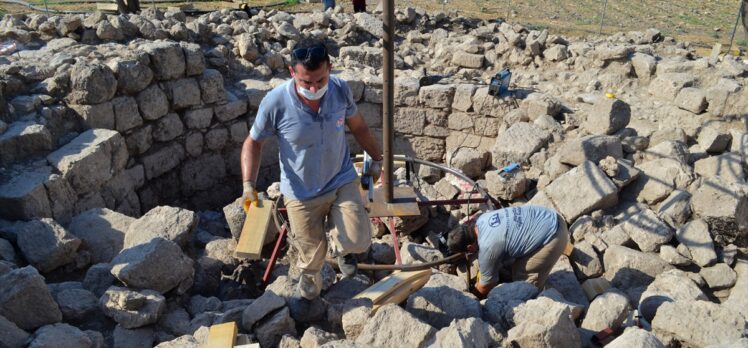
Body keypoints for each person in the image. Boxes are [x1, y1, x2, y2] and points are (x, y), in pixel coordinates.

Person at [240, 39, 382, 311]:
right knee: (311, 257)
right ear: (293, 73)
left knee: (358, 238)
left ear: (330, 68)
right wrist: (248, 185)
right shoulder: (276, 103)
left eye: (320, 80)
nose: (315, 88)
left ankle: (343, 249)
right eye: (307, 82)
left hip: (340, 179)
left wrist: (377, 159)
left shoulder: (339, 90)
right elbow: (253, 143)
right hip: (301, 193)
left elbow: (360, 127)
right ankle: (309, 288)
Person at [446, 205, 569, 298]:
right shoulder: (482, 219)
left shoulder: (488, 248)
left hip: (554, 236)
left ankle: (538, 304)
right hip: (549, 215)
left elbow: (485, 286)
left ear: (469, 248)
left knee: (523, 282)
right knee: (509, 260)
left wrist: (474, 298)